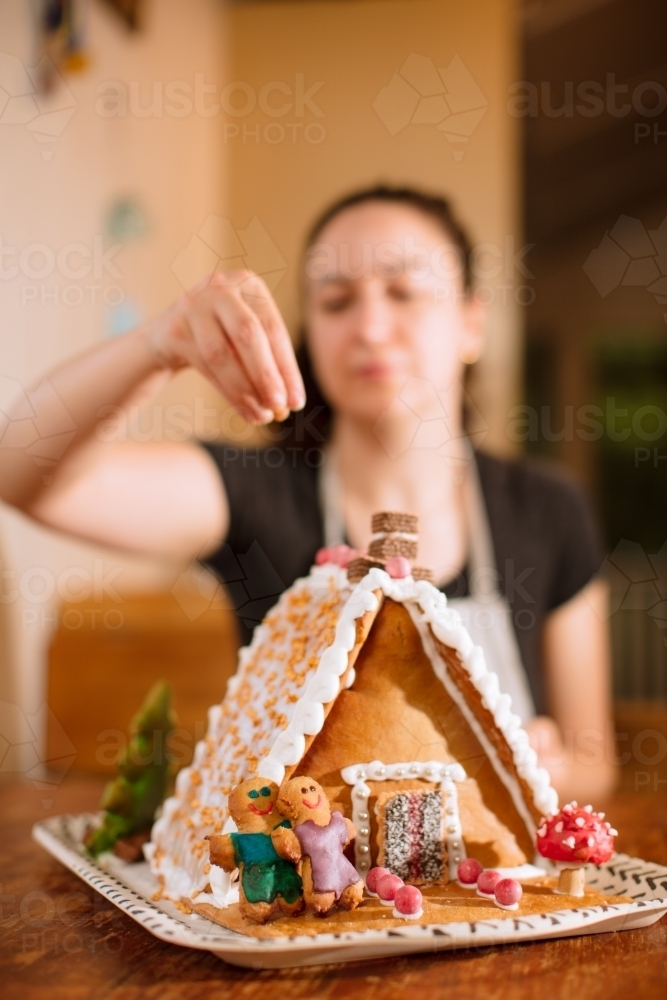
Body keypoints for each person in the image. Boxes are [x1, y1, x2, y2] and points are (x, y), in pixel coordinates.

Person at [0, 185, 616, 801]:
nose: (371, 326)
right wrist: (155, 346)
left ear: (472, 322)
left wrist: (553, 767)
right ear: (312, 334)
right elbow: (25, 475)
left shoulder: (550, 509)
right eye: (336, 300)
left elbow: (595, 763)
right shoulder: (252, 492)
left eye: (403, 291)